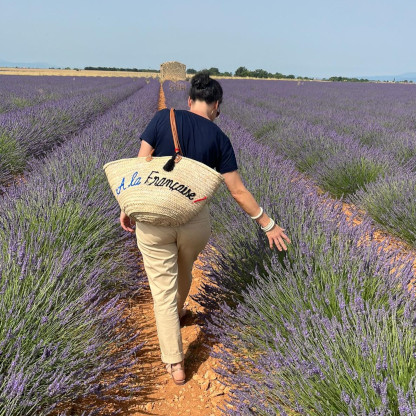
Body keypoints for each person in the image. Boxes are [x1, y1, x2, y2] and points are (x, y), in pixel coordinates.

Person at [120, 73, 291, 385]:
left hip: (155, 217)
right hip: (194, 221)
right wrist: (268, 224)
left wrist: (127, 206)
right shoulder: (219, 138)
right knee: (184, 270)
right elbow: (238, 191)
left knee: (162, 288)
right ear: (216, 105)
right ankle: (178, 310)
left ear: (189, 100)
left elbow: (139, 167)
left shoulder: (162, 119)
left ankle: (175, 362)